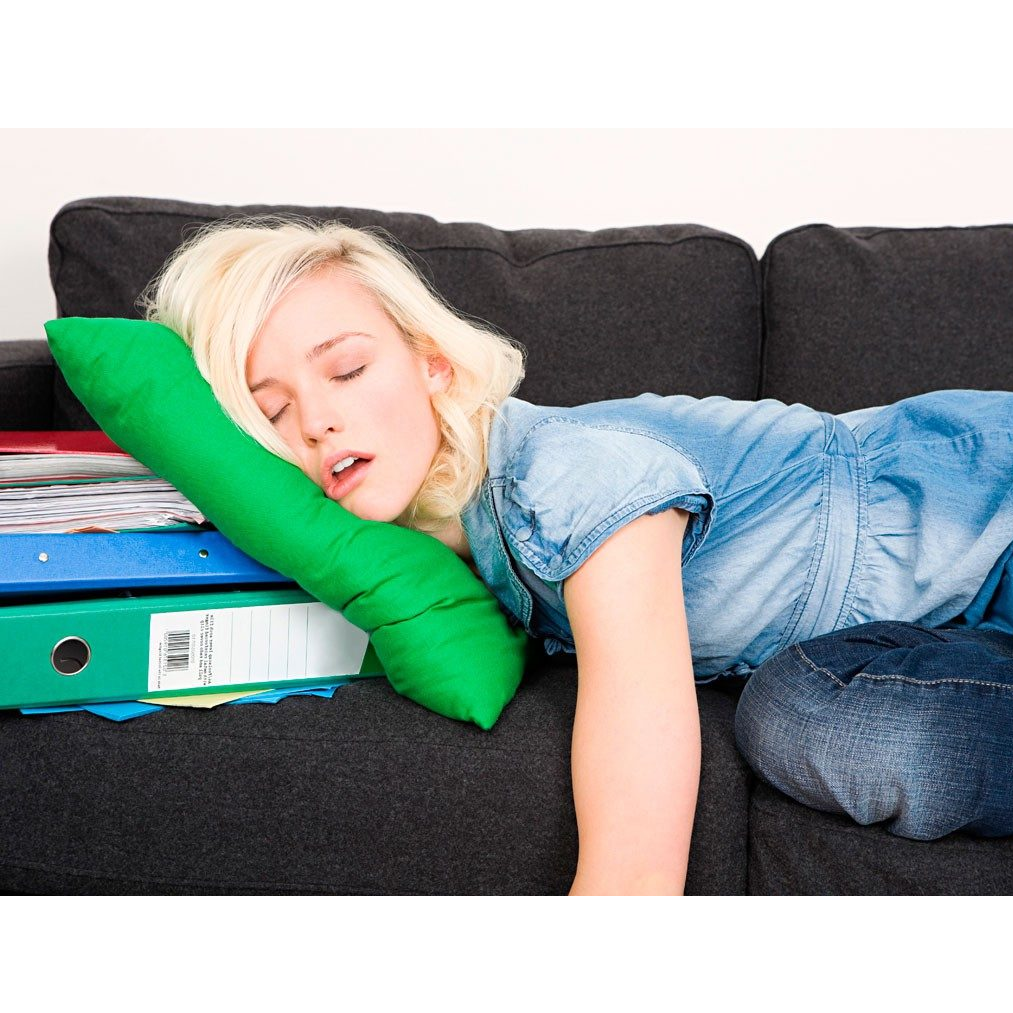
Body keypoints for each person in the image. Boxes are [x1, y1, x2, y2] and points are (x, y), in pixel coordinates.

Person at [136, 214, 1013, 894]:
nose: (317, 422)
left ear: (433, 365)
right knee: (804, 705)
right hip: (953, 620)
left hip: (990, 509)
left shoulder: (563, 478)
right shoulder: (447, 541)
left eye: (347, 370)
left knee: (799, 718)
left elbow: (636, 848)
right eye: (272, 412)